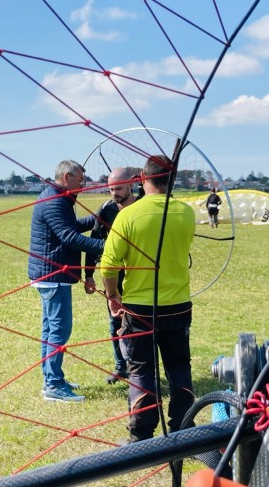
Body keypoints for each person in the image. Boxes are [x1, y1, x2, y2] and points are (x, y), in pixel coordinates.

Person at [101, 155, 196, 443]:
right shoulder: (186, 213)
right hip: (178, 306)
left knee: (141, 369)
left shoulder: (128, 215)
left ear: (143, 177)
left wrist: (113, 296)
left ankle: (141, 437)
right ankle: (184, 429)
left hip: (140, 308)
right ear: (172, 179)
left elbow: (108, 266)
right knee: (179, 367)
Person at [28, 160, 105, 403]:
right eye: (80, 179)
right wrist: (108, 246)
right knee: (59, 331)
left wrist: (95, 220)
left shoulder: (58, 198)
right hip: (53, 276)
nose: (83, 184)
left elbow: (69, 227)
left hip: (50, 275)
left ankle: (52, 379)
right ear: (66, 176)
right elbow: (69, 237)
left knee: (50, 330)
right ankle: (53, 384)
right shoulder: (55, 200)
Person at [84, 168, 139, 384]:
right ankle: (121, 367)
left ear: (130, 185)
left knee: (140, 325)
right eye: (110, 189)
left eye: (118, 188)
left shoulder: (142, 206)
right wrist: (88, 275)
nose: (114, 193)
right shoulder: (106, 210)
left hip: (139, 277)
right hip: (114, 277)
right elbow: (92, 243)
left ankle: (141, 370)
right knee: (114, 323)